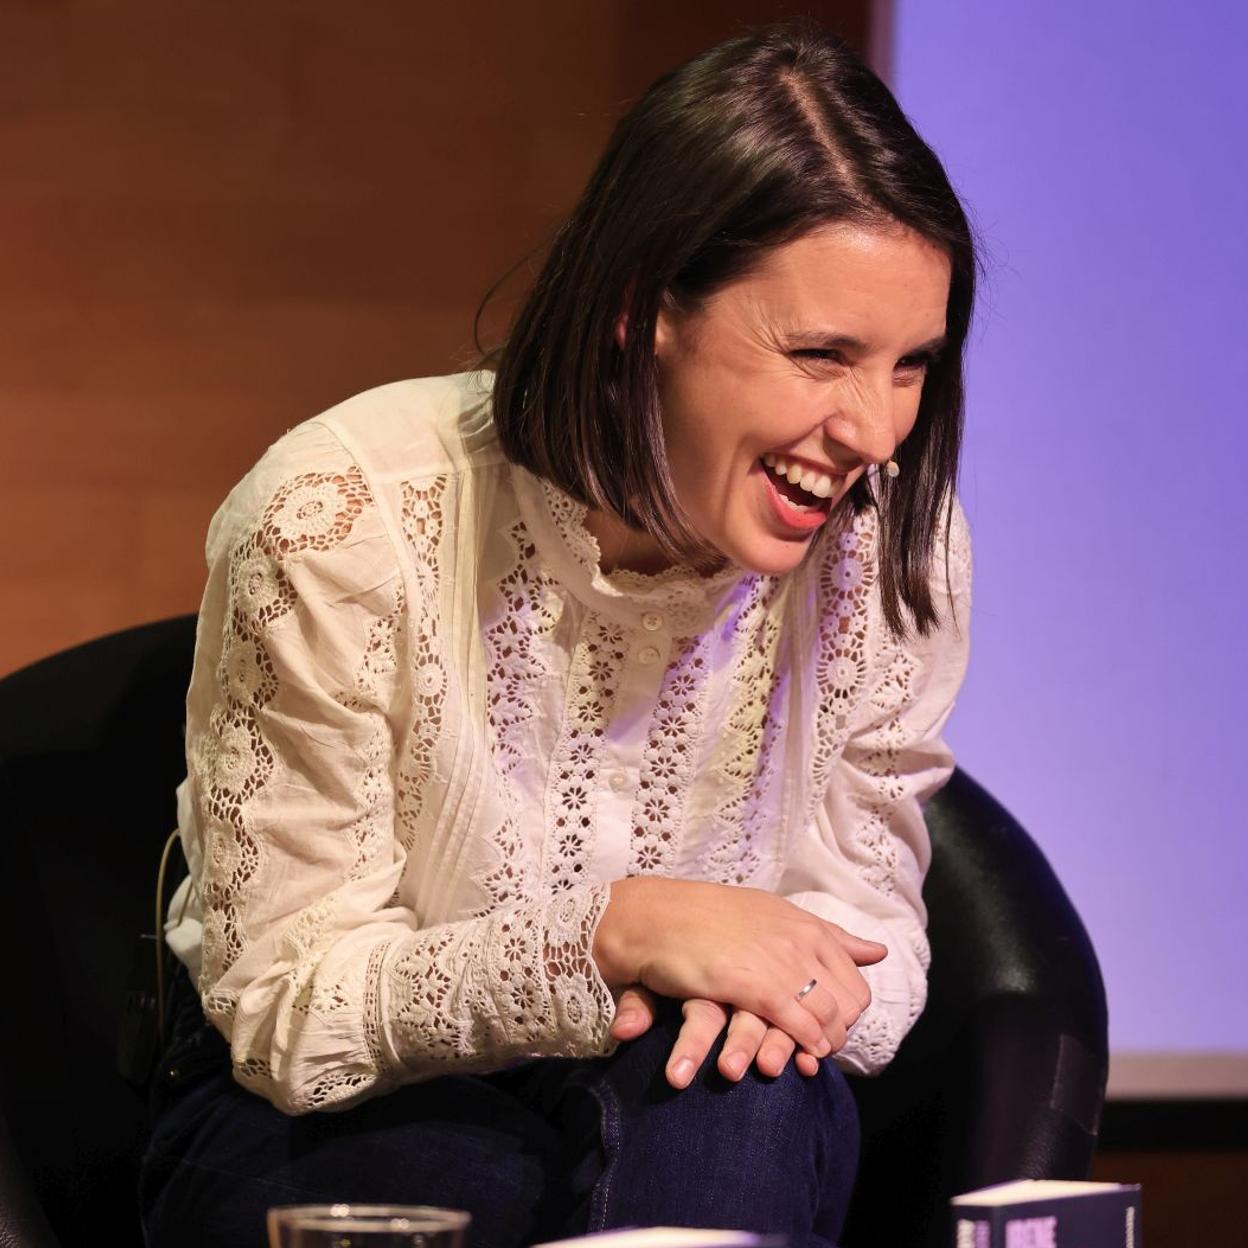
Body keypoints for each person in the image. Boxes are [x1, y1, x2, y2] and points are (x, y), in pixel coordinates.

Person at [140, 22, 975, 1248]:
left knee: (738, 1109)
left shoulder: (894, 542)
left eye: (909, 366)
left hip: (689, 1082)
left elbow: (874, 933)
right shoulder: (346, 512)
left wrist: (784, 989)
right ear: (644, 307)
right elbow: (290, 1006)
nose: (877, 432)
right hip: (325, 1102)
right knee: (470, 1189)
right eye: (820, 355)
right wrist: (613, 933)